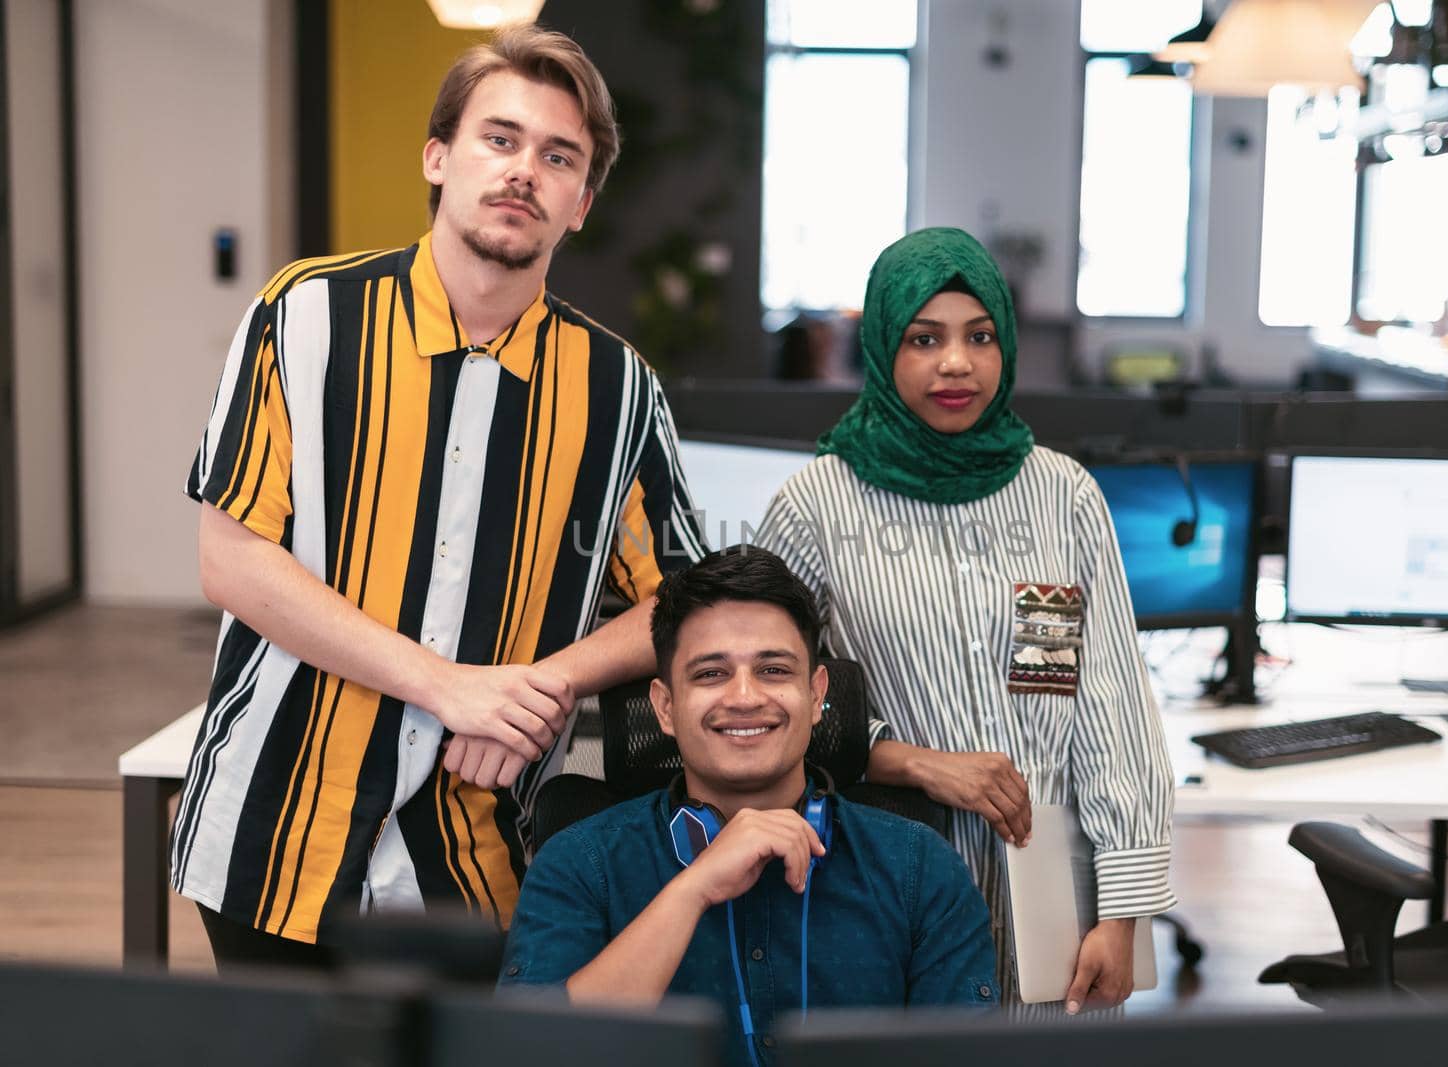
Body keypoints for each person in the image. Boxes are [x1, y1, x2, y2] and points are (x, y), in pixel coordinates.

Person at [174, 23, 705, 967]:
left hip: (476, 851)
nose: (522, 172)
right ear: (439, 156)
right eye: (499, 139)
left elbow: (685, 600)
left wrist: (542, 689)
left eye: (557, 157)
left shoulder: (619, 390)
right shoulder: (305, 318)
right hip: (277, 828)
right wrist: (449, 688)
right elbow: (233, 559)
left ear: (581, 202)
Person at [755, 227, 1175, 1014]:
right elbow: (766, 705)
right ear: (883, 348)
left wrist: (1121, 910)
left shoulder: (1063, 496)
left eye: (980, 336)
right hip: (889, 880)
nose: (957, 363)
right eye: (925, 338)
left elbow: (1112, 707)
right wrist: (914, 760)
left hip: (1054, 892)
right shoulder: (816, 506)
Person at [500, 547, 997, 1065]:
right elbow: (530, 1053)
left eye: (774, 670)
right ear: (665, 707)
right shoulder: (580, 862)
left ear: (816, 694)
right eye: (711, 674)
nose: (744, 697)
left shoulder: (921, 868)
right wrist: (692, 890)